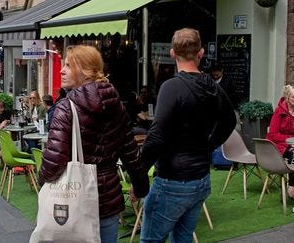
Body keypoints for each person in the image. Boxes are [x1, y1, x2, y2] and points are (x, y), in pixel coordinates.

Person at [39, 45, 150, 243]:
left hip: (75, 200)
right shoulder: (117, 106)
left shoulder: (66, 107)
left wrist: (43, 182)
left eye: (68, 65)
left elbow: (53, 162)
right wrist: (140, 187)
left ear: (85, 72)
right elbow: (131, 153)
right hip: (108, 200)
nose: (62, 70)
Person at [138, 28, 236, 242]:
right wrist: (207, 146)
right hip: (200, 178)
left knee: (150, 240)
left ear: (173, 53)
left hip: (173, 179)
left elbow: (156, 136)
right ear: (200, 53)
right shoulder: (213, 87)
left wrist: (138, 175)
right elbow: (229, 121)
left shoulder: (171, 87)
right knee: (182, 239)